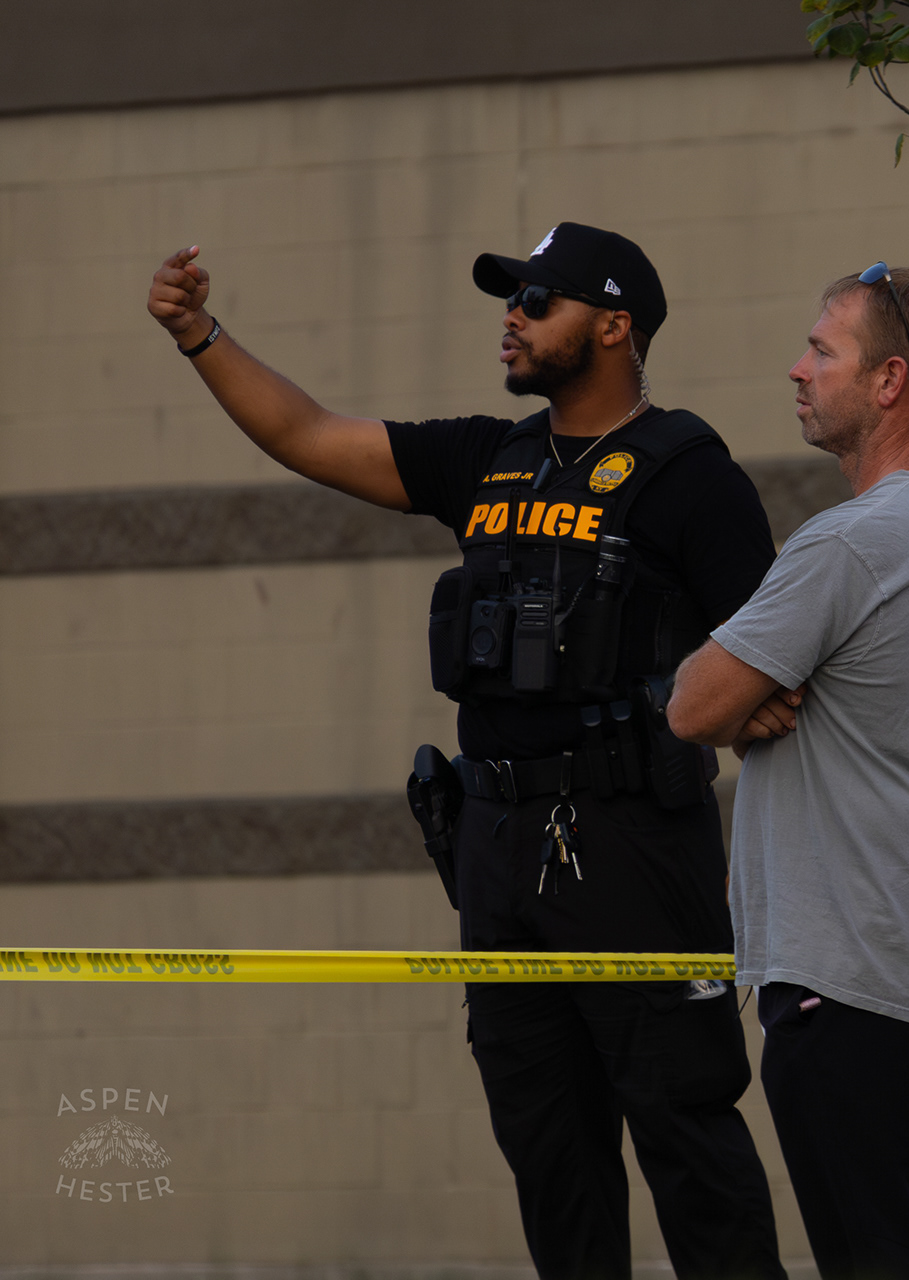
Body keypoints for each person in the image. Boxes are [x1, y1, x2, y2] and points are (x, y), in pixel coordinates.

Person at [145, 224, 786, 1280]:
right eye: (512, 299)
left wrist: (728, 709)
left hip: (635, 849)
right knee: (550, 1154)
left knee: (689, 1142)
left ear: (614, 324)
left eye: (540, 301)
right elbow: (305, 432)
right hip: (496, 850)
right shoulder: (487, 456)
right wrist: (199, 335)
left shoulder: (691, 474)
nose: (514, 316)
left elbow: (772, 672)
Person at [667, 264, 909, 1280]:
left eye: (822, 350)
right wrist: (750, 692)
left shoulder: (854, 539)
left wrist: (737, 696)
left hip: (844, 974)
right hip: (894, 958)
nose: (796, 368)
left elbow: (691, 705)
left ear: (890, 380)